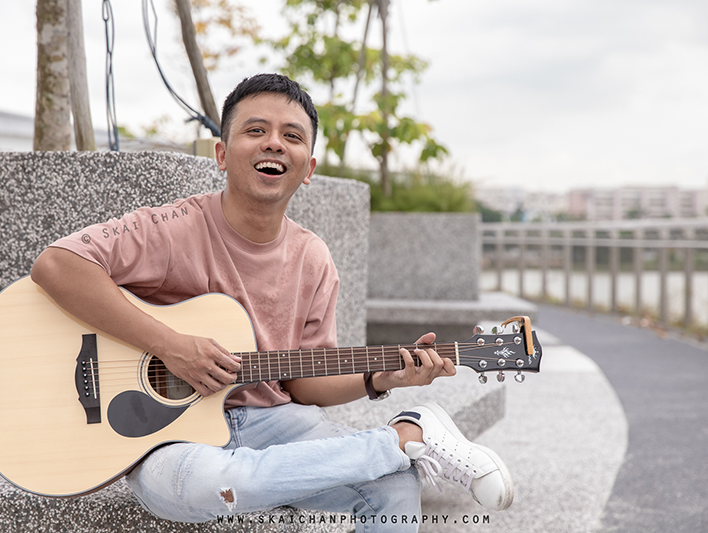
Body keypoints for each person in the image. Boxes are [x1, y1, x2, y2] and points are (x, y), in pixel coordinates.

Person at [30, 73, 513, 531]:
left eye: (292, 136)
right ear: (222, 154)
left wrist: (381, 378)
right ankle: (405, 438)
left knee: (395, 486)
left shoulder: (312, 257)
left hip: (275, 421)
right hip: (171, 439)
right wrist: (169, 345)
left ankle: (402, 439)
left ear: (309, 170)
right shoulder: (172, 228)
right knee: (203, 485)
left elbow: (304, 382)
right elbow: (57, 264)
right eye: (256, 130)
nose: (274, 144)